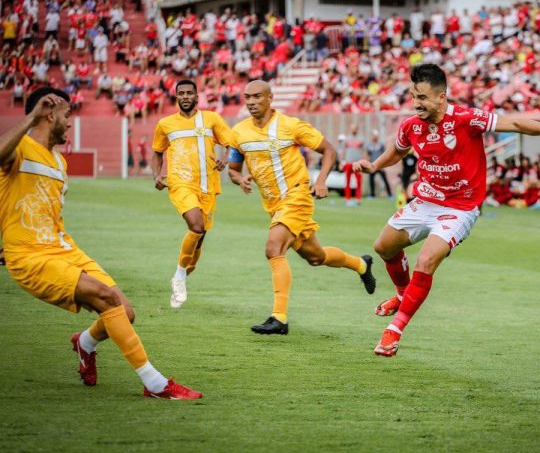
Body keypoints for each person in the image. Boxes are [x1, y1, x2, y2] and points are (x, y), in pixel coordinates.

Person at [353, 64, 540, 356]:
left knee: (426, 260)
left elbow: (515, 124)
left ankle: (393, 331)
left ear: (441, 97)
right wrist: (374, 166)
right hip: (425, 201)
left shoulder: (467, 118)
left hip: (459, 207)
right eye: (414, 96)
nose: (416, 103)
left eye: (422, 97)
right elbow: (398, 150)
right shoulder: (411, 125)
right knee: (383, 246)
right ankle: (402, 295)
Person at [0, 87, 201, 399]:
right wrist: (30, 118)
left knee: (125, 312)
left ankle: (85, 342)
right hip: (30, 256)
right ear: (49, 114)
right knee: (106, 298)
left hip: (63, 248)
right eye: (67, 115)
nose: (70, 123)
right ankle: (155, 384)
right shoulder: (21, 148)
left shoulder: (59, 162)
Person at [227, 80, 376, 335]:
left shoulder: (290, 125)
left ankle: (279, 318)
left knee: (273, 248)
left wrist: (320, 181)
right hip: (274, 205)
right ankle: (361, 264)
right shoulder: (239, 132)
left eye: (257, 96)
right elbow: (233, 168)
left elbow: (329, 151)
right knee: (316, 257)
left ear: (270, 98)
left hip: (297, 196)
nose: (251, 102)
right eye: (247, 97)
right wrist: (240, 179)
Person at [151, 79, 235, 308]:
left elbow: (232, 144)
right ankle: (179, 274)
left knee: (199, 239)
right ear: (176, 97)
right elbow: (157, 151)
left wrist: (225, 159)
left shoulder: (212, 119)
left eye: (189, 93)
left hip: (208, 185)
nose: (185, 97)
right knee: (196, 226)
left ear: (197, 97)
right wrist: (157, 175)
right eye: (181, 93)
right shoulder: (166, 124)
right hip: (180, 183)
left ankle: (183, 277)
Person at [342, 123, 364, 206]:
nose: (353, 130)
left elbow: (364, 151)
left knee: (359, 182)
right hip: (348, 163)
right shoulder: (347, 139)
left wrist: (364, 162)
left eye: (354, 128)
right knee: (347, 181)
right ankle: (347, 199)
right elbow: (344, 150)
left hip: (358, 163)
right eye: (352, 128)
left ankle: (358, 199)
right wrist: (342, 161)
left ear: (357, 129)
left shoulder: (361, 139)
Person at [365, 129, 392, 198]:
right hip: (372, 165)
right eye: (373, 136)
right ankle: (372, 195)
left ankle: (390, 194)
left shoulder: (381, 145)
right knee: (371, 180)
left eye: (376, 136)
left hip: (380, 165)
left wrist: (383, 165)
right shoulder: (369, 145)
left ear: (377, 136)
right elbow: (368, 155)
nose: (374, 137)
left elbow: (384, 155)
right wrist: (368, 164)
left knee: (385, 179)